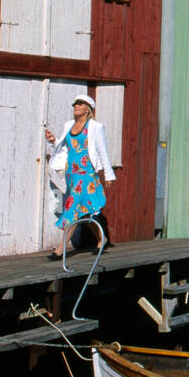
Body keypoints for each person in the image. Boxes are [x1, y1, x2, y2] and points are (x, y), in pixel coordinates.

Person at [45, 94, 114, 257]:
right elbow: (64, 148)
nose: (76, 106)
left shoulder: (95, 127)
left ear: (87, 109)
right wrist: (54, 139)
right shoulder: (69, 125)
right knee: (86, 211)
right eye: (75, 103)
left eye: (80, 104)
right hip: (71, 174)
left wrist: (109, 175)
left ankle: (60, 248)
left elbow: (102, 151)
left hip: (86, 175)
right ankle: (101, 239)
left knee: (72, 207)